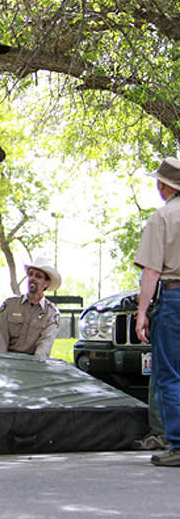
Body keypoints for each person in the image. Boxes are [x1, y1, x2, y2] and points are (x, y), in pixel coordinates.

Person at [135, 156, 180, 467]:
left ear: (165, 186)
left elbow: (151, 271)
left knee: (169, 375)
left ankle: (176, 443)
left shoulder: (162, 218)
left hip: (174, 299)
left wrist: (142, 313)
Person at [0, 259, 61, 358]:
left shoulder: (51, 314)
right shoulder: (9, 306)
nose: (32, 278)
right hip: (7, 363)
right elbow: (1, 343)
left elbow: (43, 350)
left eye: (38, 276)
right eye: (30, 274)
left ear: (46, 283)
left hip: (32, 367)